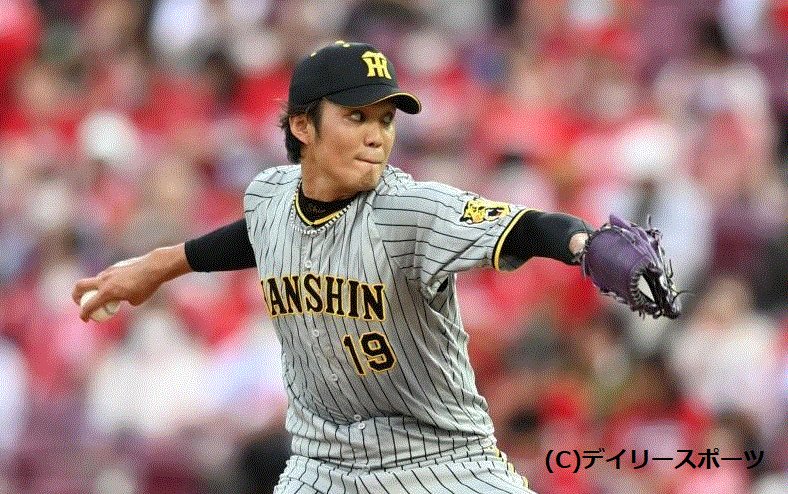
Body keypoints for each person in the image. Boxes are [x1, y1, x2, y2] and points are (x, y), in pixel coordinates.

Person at [74, 41, 595, 494]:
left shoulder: (408, 210)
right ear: (303, 125)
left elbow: (529, 227)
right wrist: (159, 265)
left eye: (385, 120)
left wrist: (586, 245)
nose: (377, 136)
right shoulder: (270, 198)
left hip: (441, 462)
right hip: (322, 469)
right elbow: (254, 236)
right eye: (356, 117)